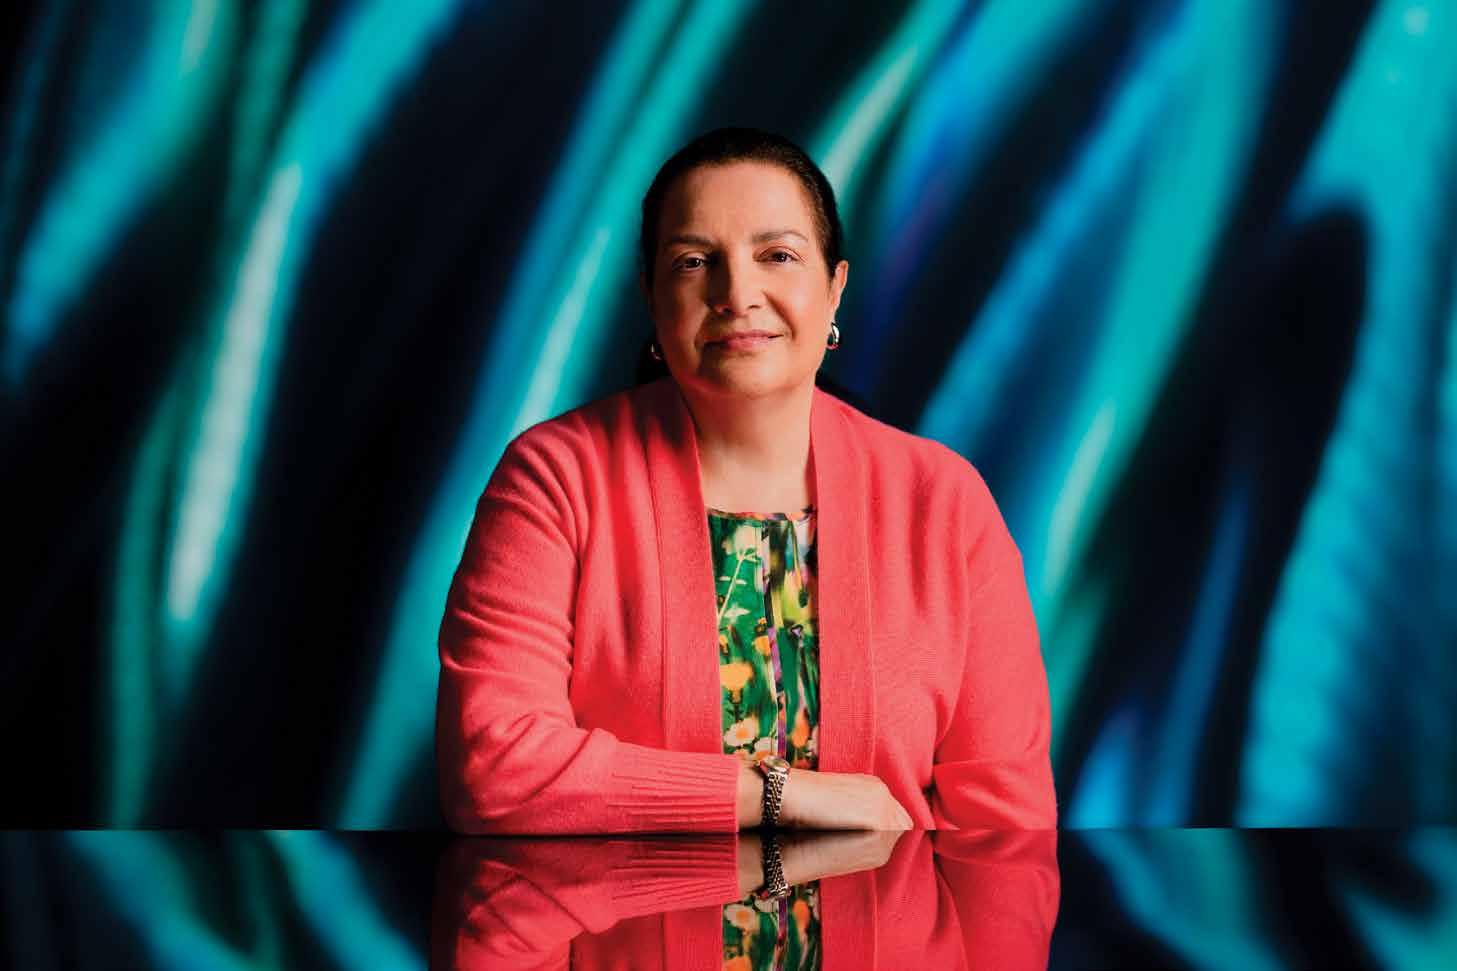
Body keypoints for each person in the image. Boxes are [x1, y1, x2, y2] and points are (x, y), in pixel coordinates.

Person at [435, 127, 1057, 837]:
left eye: (777, 256)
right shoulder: (555, 478)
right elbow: (494, 767)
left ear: (835, 287)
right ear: (651, 297)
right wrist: (775, 793)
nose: (737, 293)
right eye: (694, 261)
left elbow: (1007, 826)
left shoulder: (942, 501)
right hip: (613, 912)